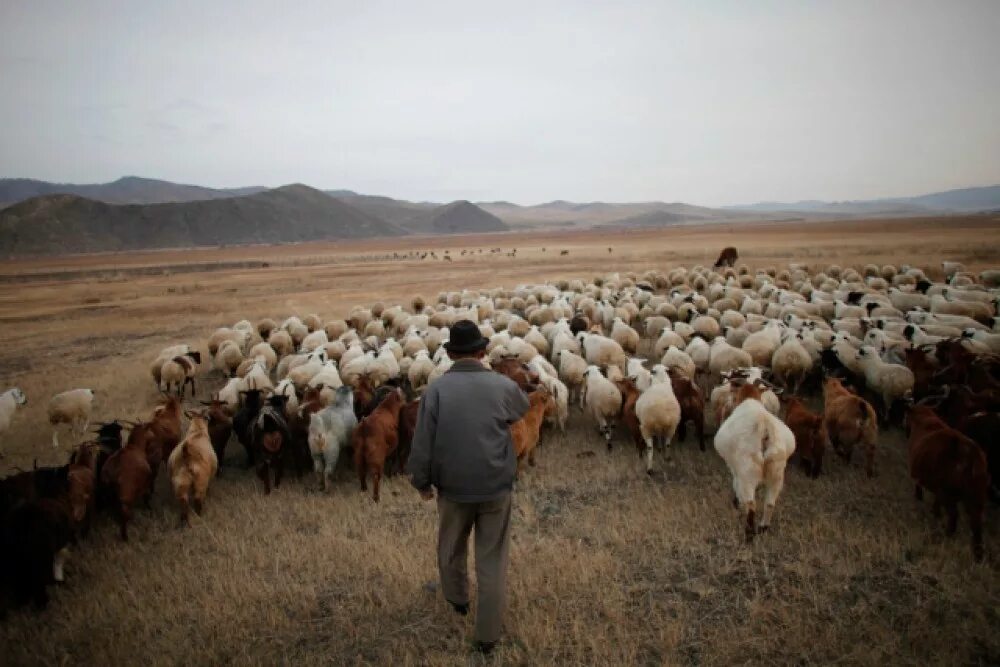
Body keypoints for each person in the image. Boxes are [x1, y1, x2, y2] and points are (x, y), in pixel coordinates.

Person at [406, 319, 530, 655]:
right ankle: (487, 635)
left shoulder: (435, 391)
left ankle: (458, 600)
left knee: (450, 547)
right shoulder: (501, 385)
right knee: (491, 559)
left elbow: (422, 443)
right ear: (482, 351)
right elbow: (523, 407)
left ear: (449, 354)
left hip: (453, 488)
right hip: (495, 486)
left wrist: (421, 481)